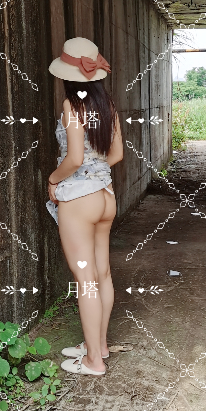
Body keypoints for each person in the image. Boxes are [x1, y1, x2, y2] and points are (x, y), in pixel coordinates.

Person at [46, 37, 123, 376]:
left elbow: (75, 158)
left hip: (80, 200)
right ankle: (99, 346)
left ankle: (94, 362)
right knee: (101, 274)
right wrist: (96, 172)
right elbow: (116, 154)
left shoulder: (71, 105)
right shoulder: (108, 106)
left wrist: (53, 179)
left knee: (85, 279)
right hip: (106, 197)